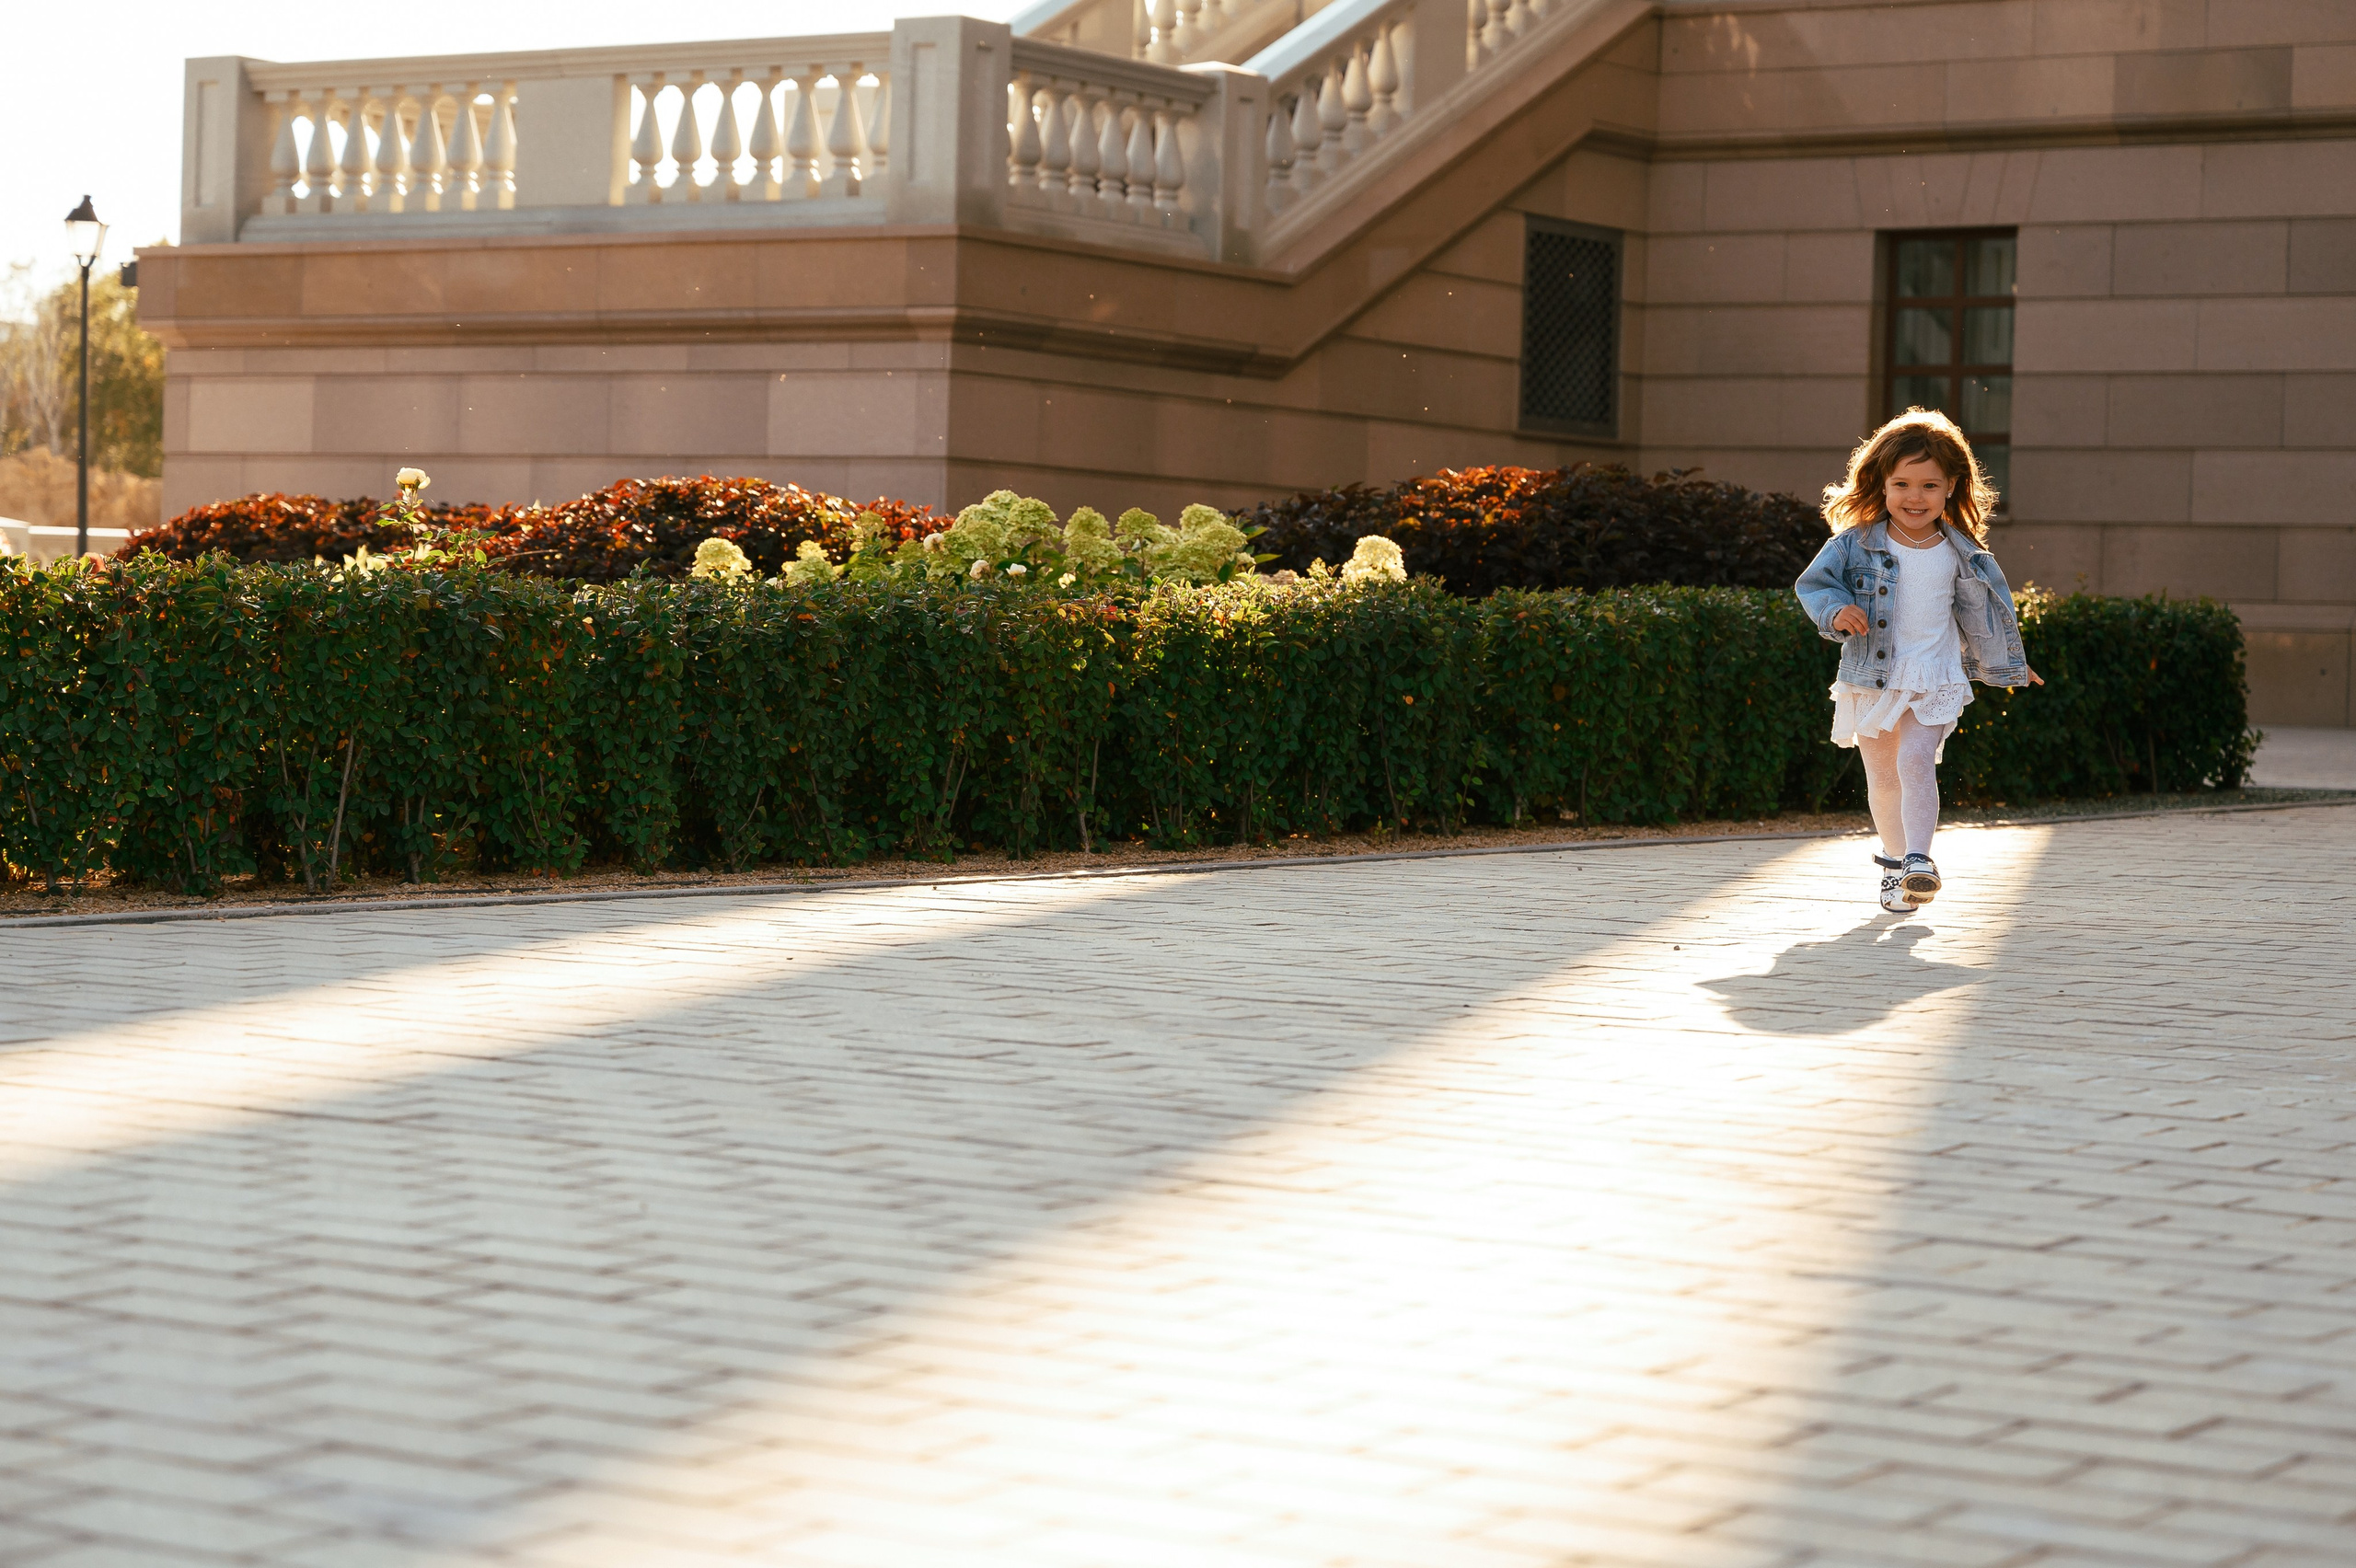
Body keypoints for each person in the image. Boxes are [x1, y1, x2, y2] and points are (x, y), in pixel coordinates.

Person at [1796, 409, 2041, 915]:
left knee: (1914, 760)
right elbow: (1814, 585)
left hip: (1935, 675)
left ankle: (1918, 861)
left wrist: (2010, 664)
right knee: (1883, 778)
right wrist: (1837, 611)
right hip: (1872, 677)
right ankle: (1893, 863)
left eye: (1929, 485)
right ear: (1881, 486)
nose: (1915, 497)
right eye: (1902, 484)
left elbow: (1985, 616)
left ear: (1950, 486)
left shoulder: (1963, 554)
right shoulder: (1855, 544)